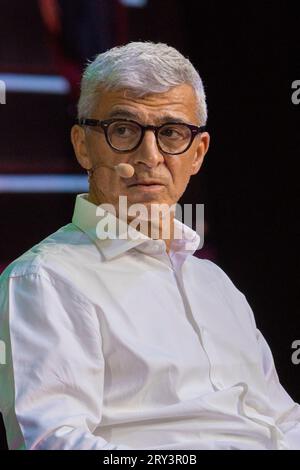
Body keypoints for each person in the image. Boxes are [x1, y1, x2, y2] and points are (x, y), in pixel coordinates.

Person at [0, 41, 299, 450]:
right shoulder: (44, 280)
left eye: (172, 133)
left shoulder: (215, 283)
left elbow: (283, 417)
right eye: (123, 130)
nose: (149, 156)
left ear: (197, 154)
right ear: (82, 145)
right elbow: (52, 442)